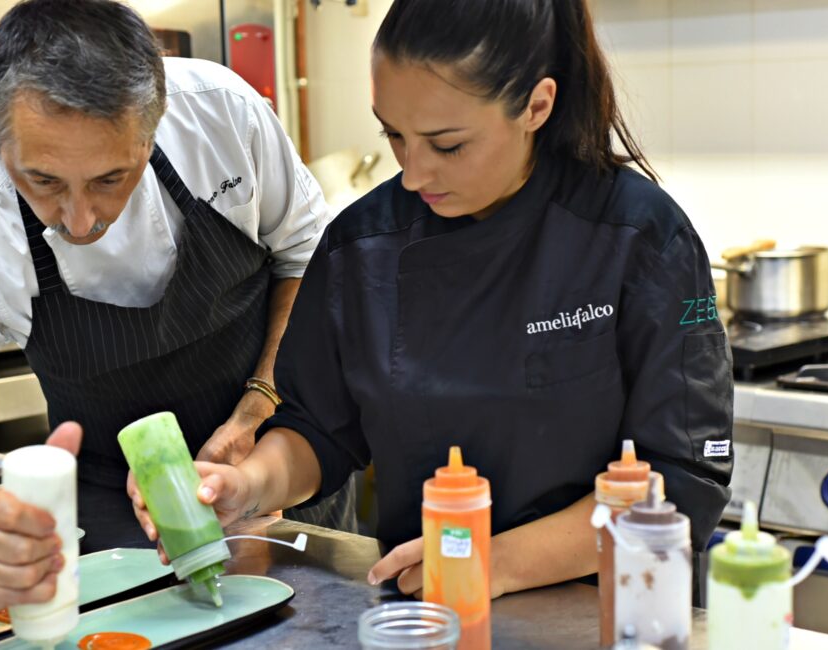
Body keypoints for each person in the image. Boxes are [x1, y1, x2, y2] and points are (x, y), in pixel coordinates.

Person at [132, 0, 733, 601]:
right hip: (425, 610)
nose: (414, 174)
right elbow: (319, 430)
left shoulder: (639, 236)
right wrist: (250, 483)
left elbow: (683, 480)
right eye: (393, 135)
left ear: (536, 106)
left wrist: (491, 562)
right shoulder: (362, 246)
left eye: (446, 145)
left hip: (613, 611)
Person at [0, 0, 354, 611]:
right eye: (43, 181)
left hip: (288, 465)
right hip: (117, 526)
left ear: (153, 128)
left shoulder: (221, 115)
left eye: (109, 179)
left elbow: (312, 262)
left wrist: (260, 409)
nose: (80, 220)